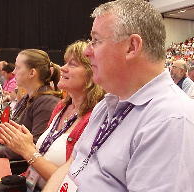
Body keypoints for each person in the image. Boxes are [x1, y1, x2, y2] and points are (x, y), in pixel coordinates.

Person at [43, 0, 194, 191]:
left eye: (96, 41)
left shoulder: (170, 120)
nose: (88, 51)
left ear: (132, 47)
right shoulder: (107, 104)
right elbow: (73, 163)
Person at [0, 40, 105, 191]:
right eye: (65, 63)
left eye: (72, 64)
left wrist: (28, 151)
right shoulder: (62, 107)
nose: (63, 68)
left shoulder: (95, 118)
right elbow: (46, 154)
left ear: (93, 72)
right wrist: (25, 143)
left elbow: (71, 184)